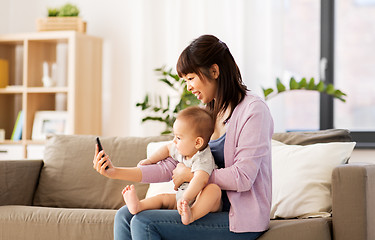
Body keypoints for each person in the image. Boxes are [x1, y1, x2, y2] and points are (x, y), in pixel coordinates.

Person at [93, 34, 274, 240]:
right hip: (203, 207)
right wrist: (115, 172)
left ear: (214, 71)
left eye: (191, 78)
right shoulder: (206, 114)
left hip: (239, 219)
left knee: (145, 222)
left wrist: (192, 175)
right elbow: (171, 166)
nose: (188, 87)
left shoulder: (253, 111)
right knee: (125, 215)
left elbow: (243, 177)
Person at [121, 106, 222, 225]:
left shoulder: (203, 157)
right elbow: (167, 148)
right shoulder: (183, 150)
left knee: (213, 189)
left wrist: (186, 198)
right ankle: (139, 205)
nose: (174, 141)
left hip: (202, 201)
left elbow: (201, 180)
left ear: (198, 142)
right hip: (183, 199)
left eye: (179, 137)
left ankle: (192, 214)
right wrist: (150, 160)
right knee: (163, 198)